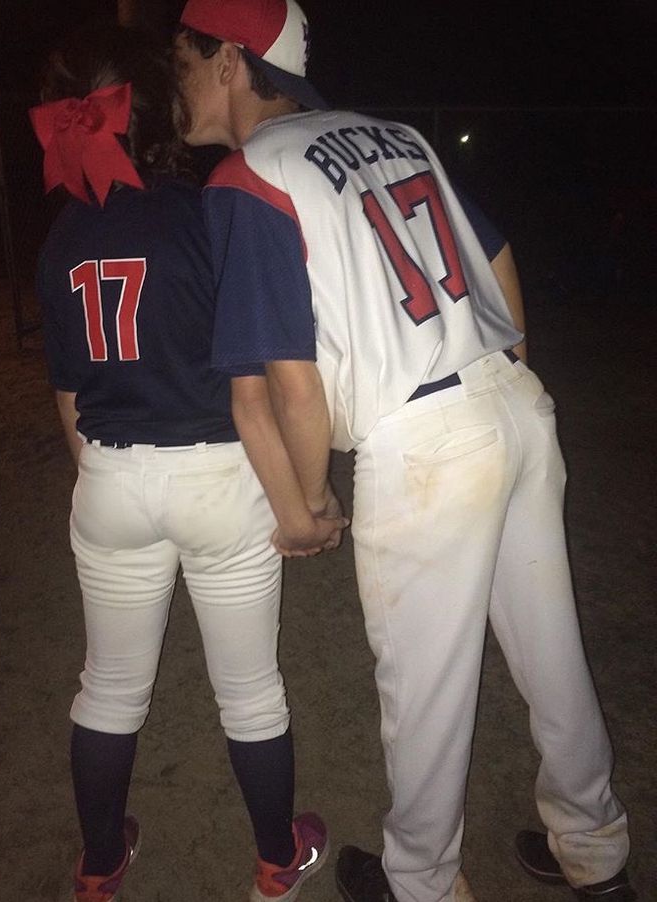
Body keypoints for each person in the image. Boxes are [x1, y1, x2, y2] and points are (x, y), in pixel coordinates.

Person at [172, 1, 637, 901]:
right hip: (510, 404)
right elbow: (497, 257)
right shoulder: (391, 134)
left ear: (229, 61)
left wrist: (305, 508)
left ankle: (421, 882)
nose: (176, 82)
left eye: (184, 62)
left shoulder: (247, 174)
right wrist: (503, 383)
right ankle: (595, 846)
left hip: (425, 445)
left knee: (423, 695)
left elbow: (286, 385)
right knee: (552, 650)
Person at [30, 21, 338, 902]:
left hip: (112, 476)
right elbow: (262, 372)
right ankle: (276, 860)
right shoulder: (211, 207)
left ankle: (99, 863)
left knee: (108, 689)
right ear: (157, 109)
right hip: (217, 475)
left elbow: (68, 402)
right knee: (250, 694)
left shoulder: (61, 239)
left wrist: (105, 482)